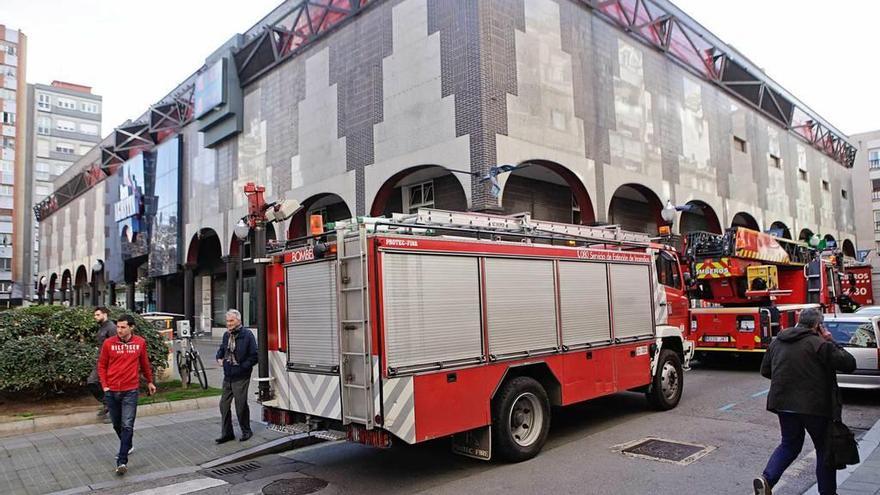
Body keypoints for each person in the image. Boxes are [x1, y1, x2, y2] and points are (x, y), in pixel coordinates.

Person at [753, 307, 856, 495]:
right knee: (824, 449)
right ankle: (828, 493)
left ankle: (767, 479)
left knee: (789, 444)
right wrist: (830, 339)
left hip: (783, 404)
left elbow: (765, 371)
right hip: (814, 407)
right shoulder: (819, 344)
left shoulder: (778, 342)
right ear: (818, 325)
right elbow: (849, 364)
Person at [98, 314, 156, 475]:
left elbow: (144, 364)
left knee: (127, 424)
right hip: (111, 390)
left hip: (130, 390)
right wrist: (105, 386)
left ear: (131, 327)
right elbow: (102, 365)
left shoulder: (140, 343)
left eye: (123, 327)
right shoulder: (109, 343)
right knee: (117, 424)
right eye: (118, 327)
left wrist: (150, 381)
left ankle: (122, 461)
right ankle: (127, 444)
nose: (120, 330)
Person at [215, 309, 258, 444]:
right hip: (228, 375)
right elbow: (222, 349)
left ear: (238, 321)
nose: (229, 324)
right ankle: (227, 434)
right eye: (227, 321)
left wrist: (242, 367)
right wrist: (219, 357)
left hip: (241, 376)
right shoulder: (226, 335)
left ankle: (246, 431)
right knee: (224, 405)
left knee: (240, 405)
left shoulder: (247, 335)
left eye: (231, 321)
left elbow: (254, 356)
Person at [88, 307, 118, 420]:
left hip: (110, 362)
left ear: (105, 314)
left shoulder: (111, 328)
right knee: (92, 382)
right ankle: (107, 404)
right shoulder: (102, 327)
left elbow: (116, 345)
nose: (95, 317)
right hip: (101, 361)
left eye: (97, 315)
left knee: (110, 386)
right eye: (95, 315)